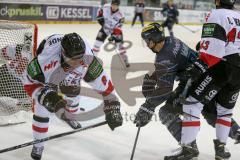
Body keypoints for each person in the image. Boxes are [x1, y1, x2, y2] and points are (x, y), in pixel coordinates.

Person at [133, 22, 240, 159]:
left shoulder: (164, 57)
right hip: (207, 76)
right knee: (211, 113)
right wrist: (155, 77)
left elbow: (165, 90)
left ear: (153, 40)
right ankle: (237, 131)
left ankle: (189, 147)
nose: (147, 45)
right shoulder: (171, 40)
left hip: (192, 82)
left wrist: (147, 106)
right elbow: (171, 67)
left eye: (147, 41)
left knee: (166, 112)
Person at [20, 33, 123, 160]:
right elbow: (28, 83)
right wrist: (43, 96)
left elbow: (106, 87)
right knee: (43, 108)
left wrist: (113, 107)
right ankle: (38, 143)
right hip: (50, 74)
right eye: (73, 59)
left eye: (80, 58)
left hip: (64, 72)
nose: (77, 63)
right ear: (63, 53)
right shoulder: (44, 61)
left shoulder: (88, 59)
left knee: (73, 92)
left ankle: (69, 116)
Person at [164, 0, 240, 159]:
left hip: (222, 67)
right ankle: (221, 149)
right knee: (225, 111)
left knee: (192, 104)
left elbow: (213, 51)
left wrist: (197, 67)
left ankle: (187, 148)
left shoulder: (216, 14)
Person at [92, 0, 130, 67]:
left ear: (118, 6)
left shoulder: (121, 15)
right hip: (105, 28)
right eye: (113, 5)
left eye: (116, 5)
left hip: (115, 31)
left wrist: (113, 36)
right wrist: (99, 17)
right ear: (111, 4)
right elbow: (99, 12)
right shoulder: (105, 7)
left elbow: (119, 28)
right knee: (96, 44)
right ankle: (92, 59)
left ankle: (125, 59)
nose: (114, 7)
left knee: (120, 46)